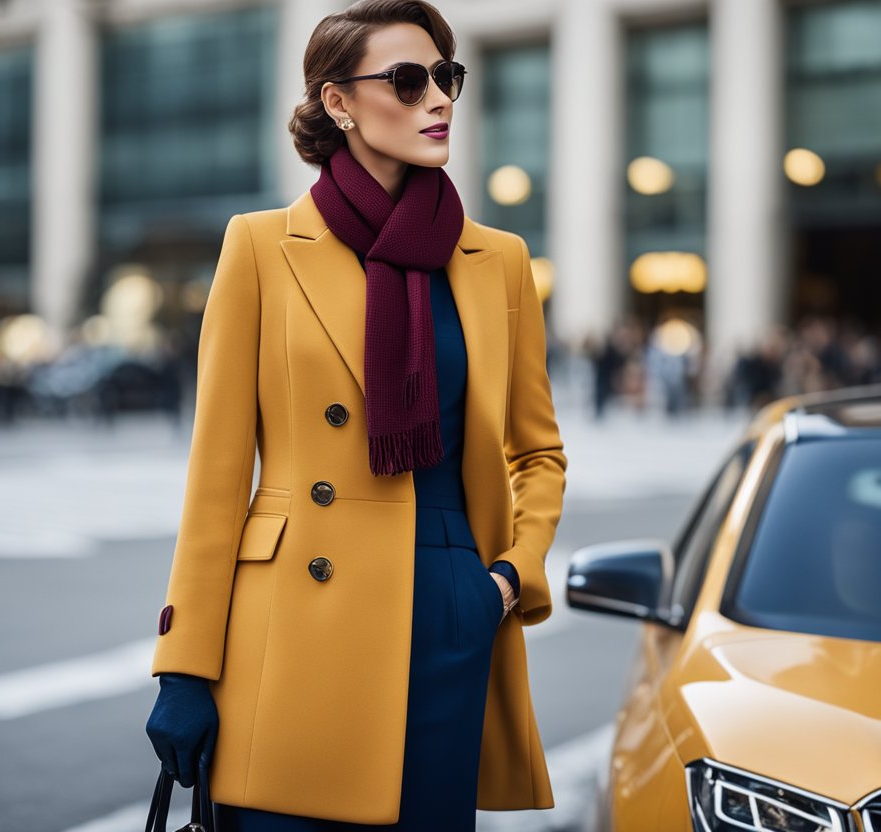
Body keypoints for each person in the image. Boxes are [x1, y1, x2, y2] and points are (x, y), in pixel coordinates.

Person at [144, 1, 567, 828]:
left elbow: (537, 453)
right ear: (338, 102)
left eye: (447, 78)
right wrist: (184, 666)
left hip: (446, 608)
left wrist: (509, 577)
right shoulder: (261, 247)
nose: (438, 100)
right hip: (293, 618)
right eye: (409, 82)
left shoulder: (499, 262)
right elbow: (218, 477)